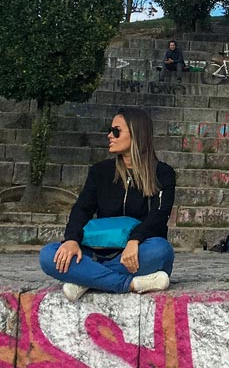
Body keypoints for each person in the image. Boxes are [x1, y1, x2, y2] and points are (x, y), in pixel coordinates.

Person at [40, 106, 176, 300]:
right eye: (110, 130)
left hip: (139, 250)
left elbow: (160, 215)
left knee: (161, 251)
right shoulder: (100, 171)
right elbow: (82, 208)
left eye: (116, 131)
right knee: (48, 255)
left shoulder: (162, 173)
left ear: (136, 133)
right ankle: (126, 283)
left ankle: (86, 278)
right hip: (98, 251)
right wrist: (71, 239)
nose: (109, 135)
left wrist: (134, 240)